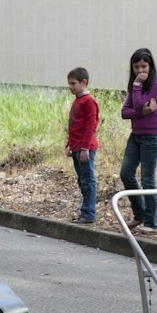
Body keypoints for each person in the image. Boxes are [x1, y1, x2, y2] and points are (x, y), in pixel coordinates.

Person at [119, 48, 157, 233]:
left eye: (144, 66)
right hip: (136, 135)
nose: (140, 71)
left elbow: (137, 105)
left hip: (152, 136)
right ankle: (140, 214)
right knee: (126, 173)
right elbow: (125, 112)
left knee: (147, 178)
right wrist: (142, 111)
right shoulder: (134, 86)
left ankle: (151, 222)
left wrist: (137, 86)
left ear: (150, 66)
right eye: (136, 67)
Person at [66, 67, 99, 225]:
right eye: (69, 84)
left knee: (88, 181)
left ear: (83, 82)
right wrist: (69, 144)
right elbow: (74, 125)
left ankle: (89, 213)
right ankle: (85, 212)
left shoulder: (89, 101)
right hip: (76, 147)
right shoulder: (77, 100)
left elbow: (91, 125)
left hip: (85, 148)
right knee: (82, 180)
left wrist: (85, 148)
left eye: (73, 83)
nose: (70, 87)